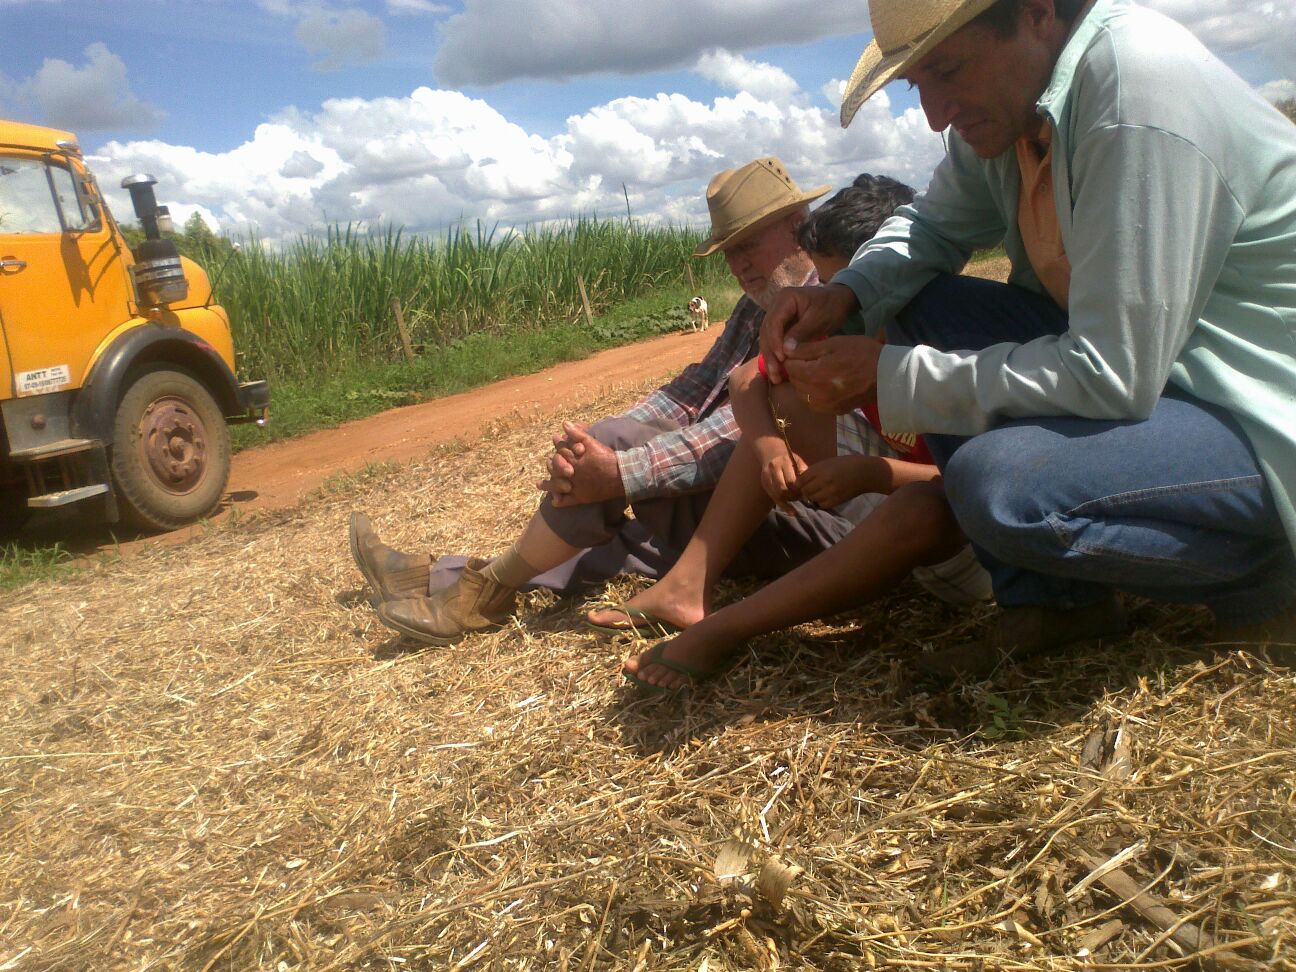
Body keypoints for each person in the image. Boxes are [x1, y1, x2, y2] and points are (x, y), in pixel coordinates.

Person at [759, 0, 1296, 675]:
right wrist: (846, 293)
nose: (936, 116)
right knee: (916, 295)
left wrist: (893, 375)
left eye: (949, 71)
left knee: (1003, 487)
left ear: (1039, 14)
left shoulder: (1134, 95)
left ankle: (1270, 570)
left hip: (1256, 410)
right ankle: (1053, 603)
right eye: (919, 85)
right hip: (1166, 374)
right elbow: (931, 227)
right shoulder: (1018, 111)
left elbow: (1112, 372)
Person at [350, 157, 878, 645]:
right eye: (728, 252)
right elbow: (693, 390)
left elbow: (746, 433)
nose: (738, 265)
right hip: (758, 497)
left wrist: (621, 469)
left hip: (822, 515)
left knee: (638, 522)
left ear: (797, 226)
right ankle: (440, 577)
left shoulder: (828, 306)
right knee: (628, 508)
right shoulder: (754, 308)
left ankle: (478, 591)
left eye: (747, 244)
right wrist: (595, 448)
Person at [580, 176, 993, 693]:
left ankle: (727, 629)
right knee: (789, 401)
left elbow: (982, 479)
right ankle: (686, 586)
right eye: (834, 289)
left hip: (974, 542)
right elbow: (745, 381)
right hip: (902, 502)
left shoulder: (956, 342)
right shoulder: (842, 322)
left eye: (851, 292)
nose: (839, 307)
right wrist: (770, 445)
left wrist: (875, 473)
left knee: (921, 507)